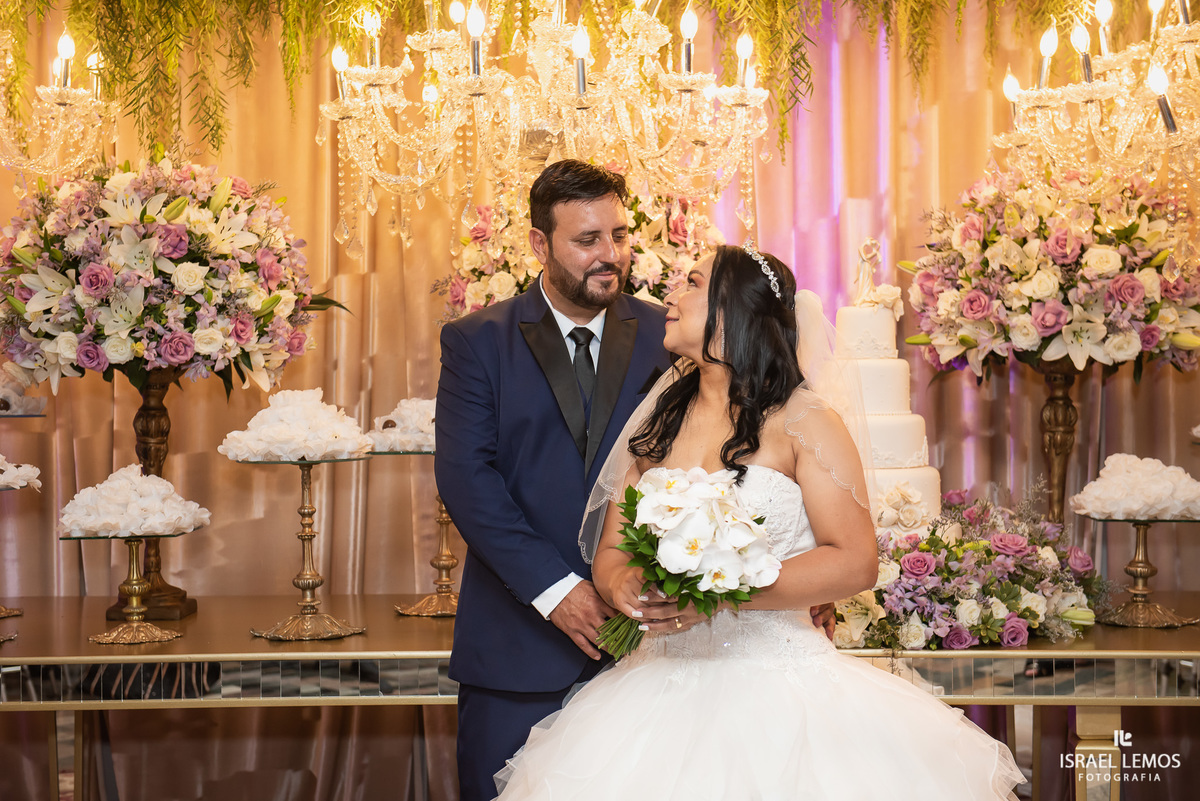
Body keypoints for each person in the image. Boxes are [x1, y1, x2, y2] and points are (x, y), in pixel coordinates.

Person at [492, 244, 1025, 800]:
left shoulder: (804, 421)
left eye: (692, 282)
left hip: (779, 688)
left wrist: (721, 592)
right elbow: (613, 552)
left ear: (732, 309)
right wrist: (624, 584)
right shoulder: (659, 420)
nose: (671, 295)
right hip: (652, 692)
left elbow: (855, 558)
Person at [434, 160, 674, 801]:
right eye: (588, 240)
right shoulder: (476, 342)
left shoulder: (670, 336)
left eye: (620, 236)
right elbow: (466, 478)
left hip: (649, 650)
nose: (611, 256)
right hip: (516, 648)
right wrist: (555, 590)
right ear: (539, 244)